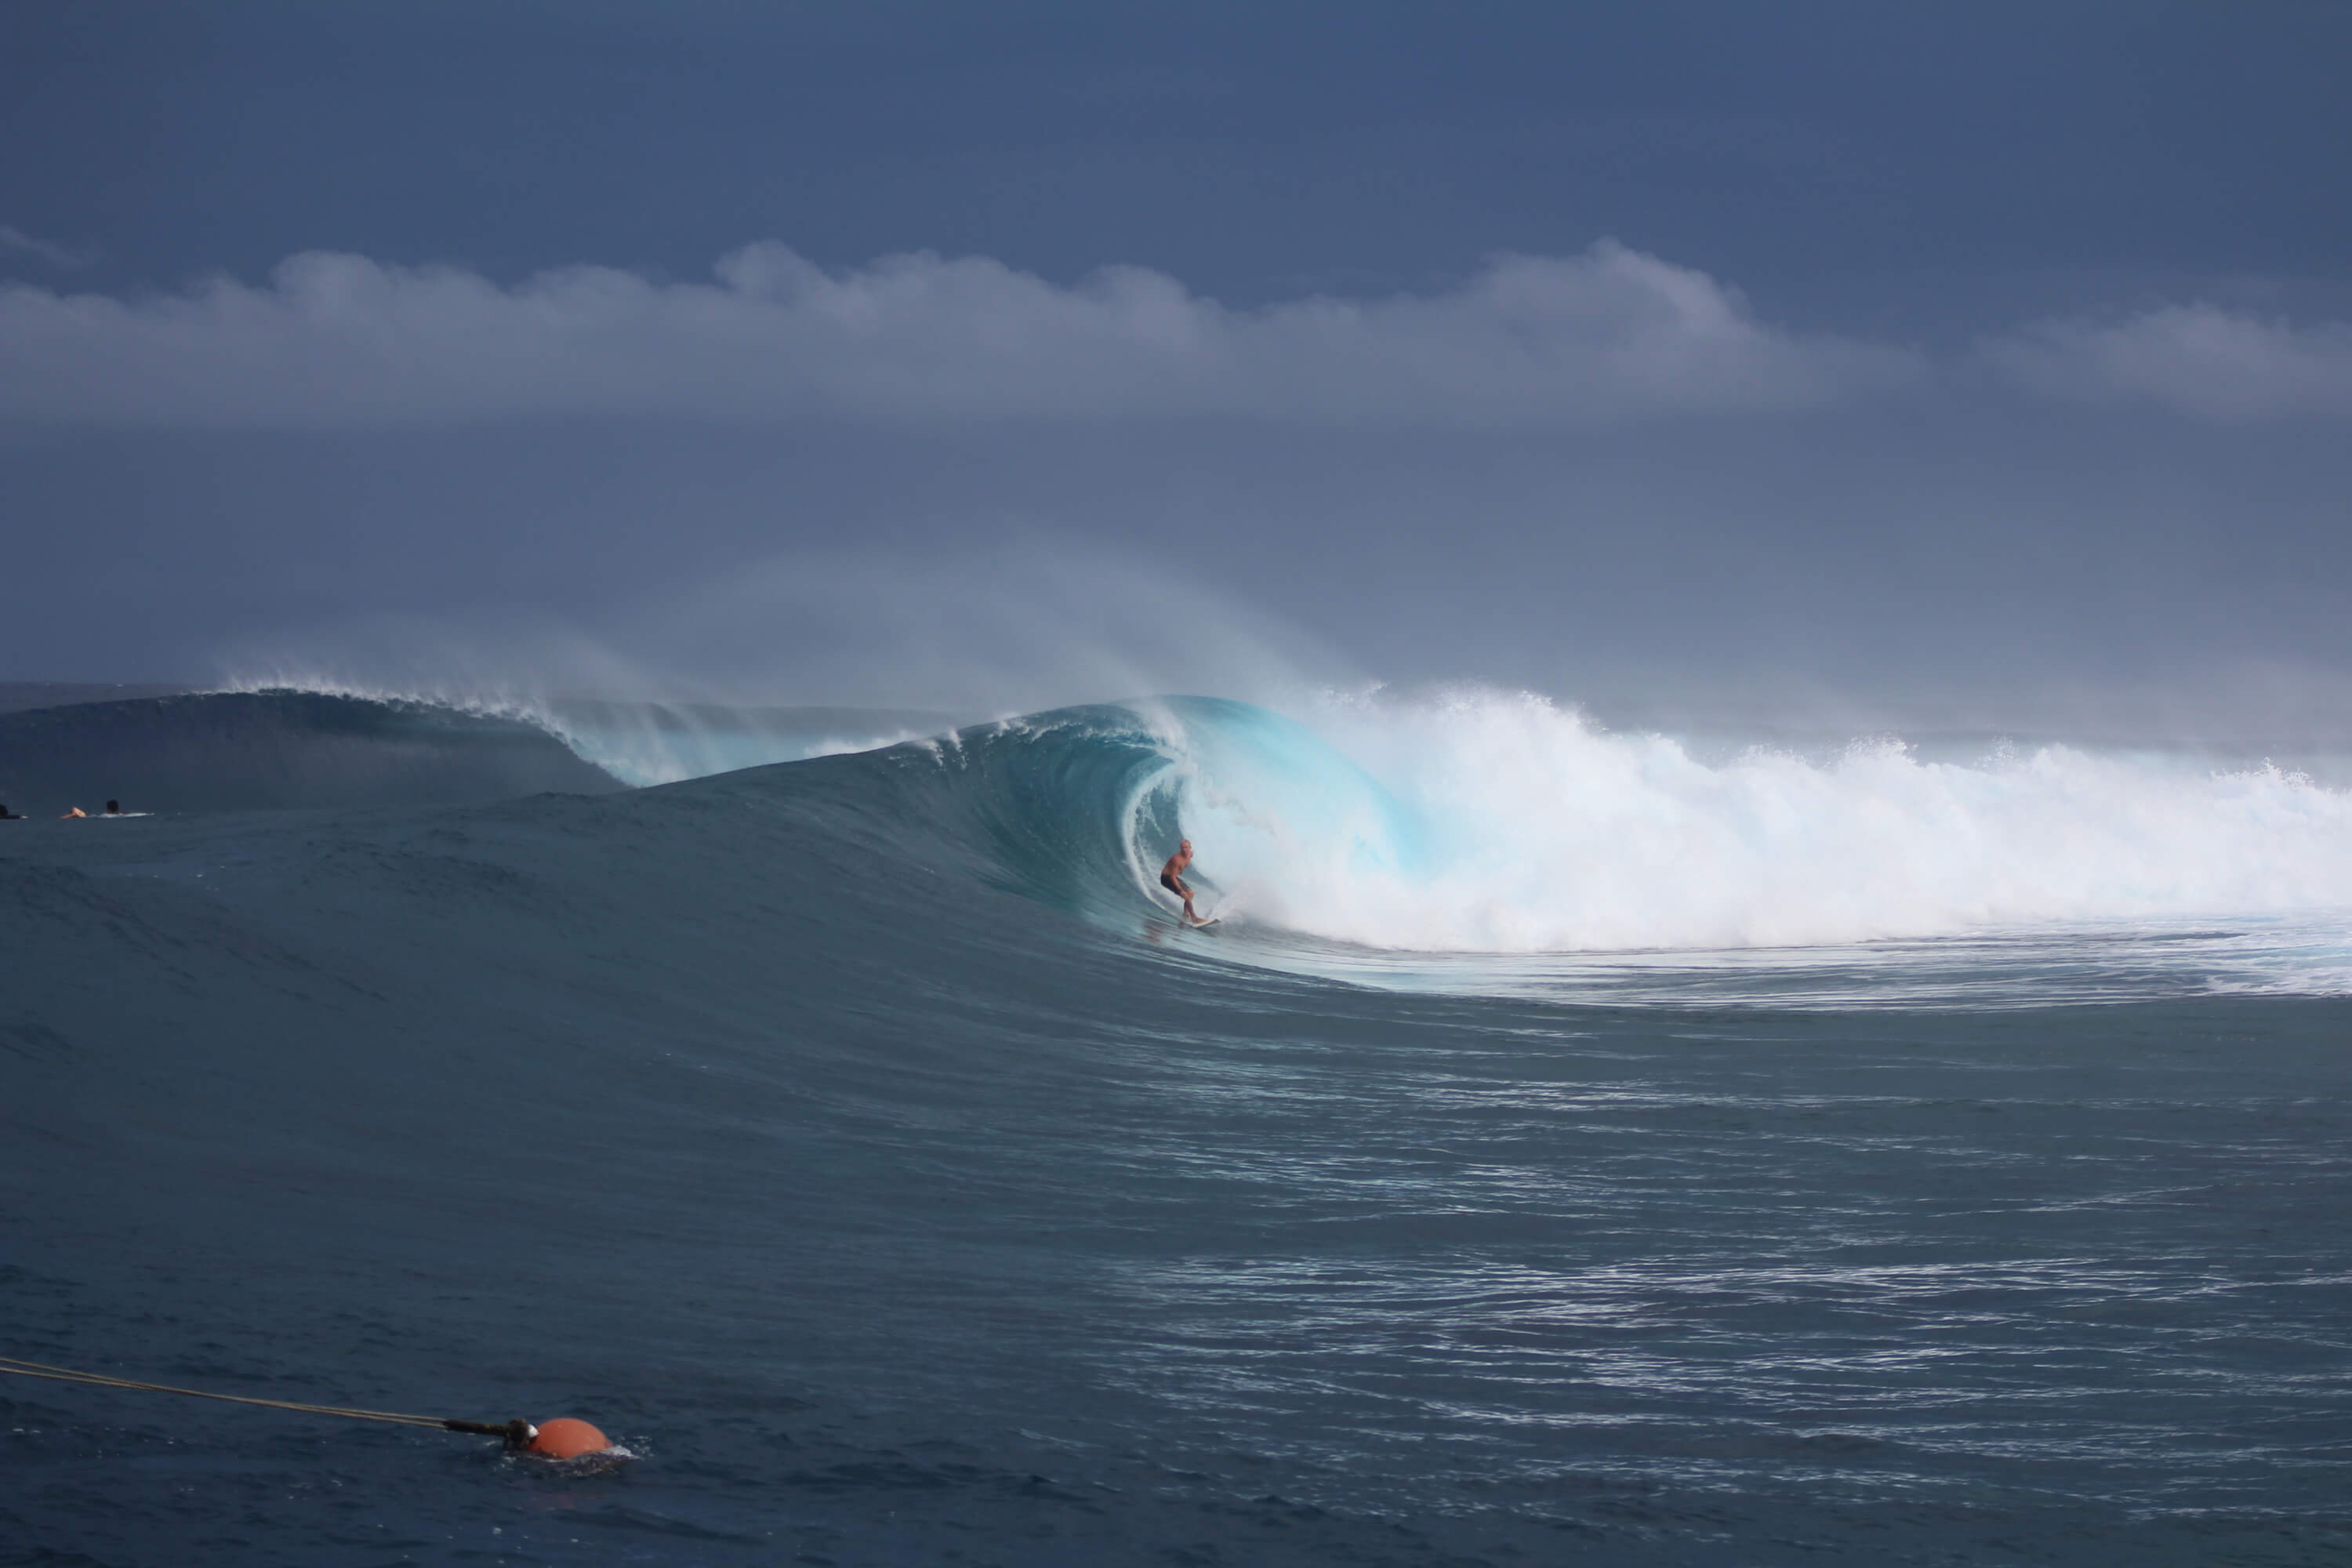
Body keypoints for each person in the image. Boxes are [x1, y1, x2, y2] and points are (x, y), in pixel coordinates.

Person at [1159, 838, 1207, 925]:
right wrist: (1181, 890)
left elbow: (1184, 863)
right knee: (1186, 895)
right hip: (1166, 878)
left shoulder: (1190, 854)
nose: (1185, 849)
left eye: (1186, 847)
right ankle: (1194, 918)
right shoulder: (1176, 859)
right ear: (1180, 849)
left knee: (1191, 893)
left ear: (1190, 848)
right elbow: (1172, 877)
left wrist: (1181, 869)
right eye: (1183, 848)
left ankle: (1185, 915)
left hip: (1173, 877)